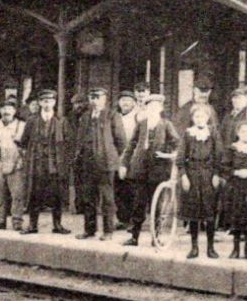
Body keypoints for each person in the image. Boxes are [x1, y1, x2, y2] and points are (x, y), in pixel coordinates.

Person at [119, 92, 181, 245]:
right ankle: (134, 237)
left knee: (157, 205)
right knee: (138, 204)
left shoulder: (166, 124)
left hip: (159, 171)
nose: (153, 109)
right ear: (146, 108)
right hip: (140, 170)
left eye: (156, 106)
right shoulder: (142, 124)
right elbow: (131, 145)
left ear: (160, 108)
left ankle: (156, 237)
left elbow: (178, 144)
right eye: (150, 106)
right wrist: (123, 164)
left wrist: (169, 155)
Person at [74, 89, 124, 239]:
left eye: (98, 97)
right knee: (88, 198)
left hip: (106, 163)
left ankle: (108, 231)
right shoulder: (85, 117)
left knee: (107, 198)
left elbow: (121, 140)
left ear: (104, 99)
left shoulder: (112, 115)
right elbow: (80, 140)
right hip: (88, 163)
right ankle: (89, 230)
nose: (94, 101)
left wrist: (113, 157)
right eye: (92, 97)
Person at [20, 88, 71, 234]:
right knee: (35, 194)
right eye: (44, 101)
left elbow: (68, 143)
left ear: (54, 102)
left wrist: (64, 162)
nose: (47, 104)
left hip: (55, 165)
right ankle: (32, 225)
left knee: (57, 196)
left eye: (50, 101)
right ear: (40, 103)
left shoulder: (61, 121)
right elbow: (24, 141)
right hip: (37, 165)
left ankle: (57, 225)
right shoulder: (32, 120)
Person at [178, 103, 222, 259]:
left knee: (210, 211)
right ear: (193, 118)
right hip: (192, 174)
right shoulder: (188, 134)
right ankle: (194, 247)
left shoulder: (214, 133)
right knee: (193, 212)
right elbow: (180, 157)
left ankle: (211, 247)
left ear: (208, 118)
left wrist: (216, 174)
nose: (199, 119)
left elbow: (219, 155)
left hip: (209, 174)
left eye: (202, 116)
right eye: (196, 116)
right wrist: (183, 176)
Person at [219, 120, 247, 259]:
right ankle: (236, 249)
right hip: (235, 186)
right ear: (238, 133)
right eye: (243, 131)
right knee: (236, 216)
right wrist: (235, 172)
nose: (246, 134)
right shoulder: (231, 149)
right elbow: (224, 166)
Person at [0, 98, 27, 231]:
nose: (6, 111)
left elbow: (27, 146)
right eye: (3, 109)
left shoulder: (22, 126)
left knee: (17, 193)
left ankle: (17, 220)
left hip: (15, 163)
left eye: (9, 108)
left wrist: (21, 161)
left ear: (14, 111)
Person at [113, 90, 141, 229]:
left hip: (133, 157)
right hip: (117, 157)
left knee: (132, 189)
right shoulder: (115, 117)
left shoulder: (138, 117)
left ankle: (133, 221)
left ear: (134, 103)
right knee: (118, 189)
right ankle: (122, 219)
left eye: (128, 100)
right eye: (123, 100)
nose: (125, 103)